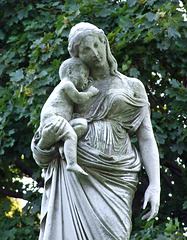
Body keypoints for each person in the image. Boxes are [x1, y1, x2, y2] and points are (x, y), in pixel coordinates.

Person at [31, 22, 160, 240]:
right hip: (75, 173)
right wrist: (45, 142)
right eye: (85, 50)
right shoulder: (73, 86)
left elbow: (146, 137)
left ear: (104, 42)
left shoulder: (133, 86)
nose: (95, 54)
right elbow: (48, 133)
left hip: (119, 173)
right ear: (78, 55)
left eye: (96, 45)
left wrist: (155, 185)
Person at [39, 57, 99, 175]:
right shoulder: (67, 84)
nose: (86, 80)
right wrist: (90, 92)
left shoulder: (67, 85)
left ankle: (63, 146)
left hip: (61, 121)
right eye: (84, 74)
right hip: (53, 118)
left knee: (81, 125)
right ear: (70, 72)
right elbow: (79, 98)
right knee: (71, 135)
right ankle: (72, 164)